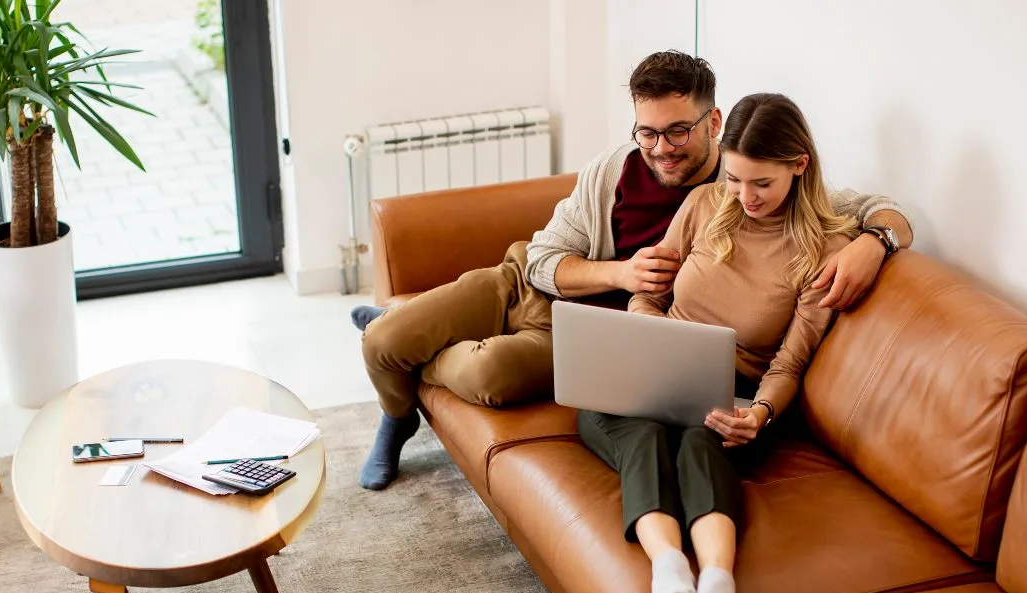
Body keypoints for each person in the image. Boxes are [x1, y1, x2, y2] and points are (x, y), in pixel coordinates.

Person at [352, 51, 913, 491]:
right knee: (382, 340)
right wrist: (621, 275)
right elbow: (546, 257)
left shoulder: (742, 182)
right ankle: (397, 408)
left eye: (678, 131)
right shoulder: (615, 169)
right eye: (647, 132)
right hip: (528, 279)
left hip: (589, 333)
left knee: (486, 374)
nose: (661, 149)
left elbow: (864, 208)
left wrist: (876, 241)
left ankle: (412, 352)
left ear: (713, 122)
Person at [577, 92, 853, 593]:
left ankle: (718, 582)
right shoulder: (704, 206)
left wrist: (761, 416)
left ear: (799, 166)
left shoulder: (825, 248)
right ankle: (669, 567)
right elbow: (648, 294)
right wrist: (645, 324)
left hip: (733, 389)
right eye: (734, 179)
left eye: (761, 183)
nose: (744, 196)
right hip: (652, 364)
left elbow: (789, 365)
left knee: (704, 443)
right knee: (640, 435)